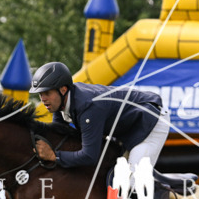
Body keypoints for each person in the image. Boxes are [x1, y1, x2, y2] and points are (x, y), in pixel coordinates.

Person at [30, 62, 170, 180]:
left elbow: (89, 156)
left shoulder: (88, 106)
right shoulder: (61, 102)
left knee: (132, 182)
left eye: (47, 93)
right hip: (128, 128)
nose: (43, 99)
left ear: (63, 89)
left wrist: (54, 156)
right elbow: (59, 133)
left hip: (151, 121)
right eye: (40, 94)